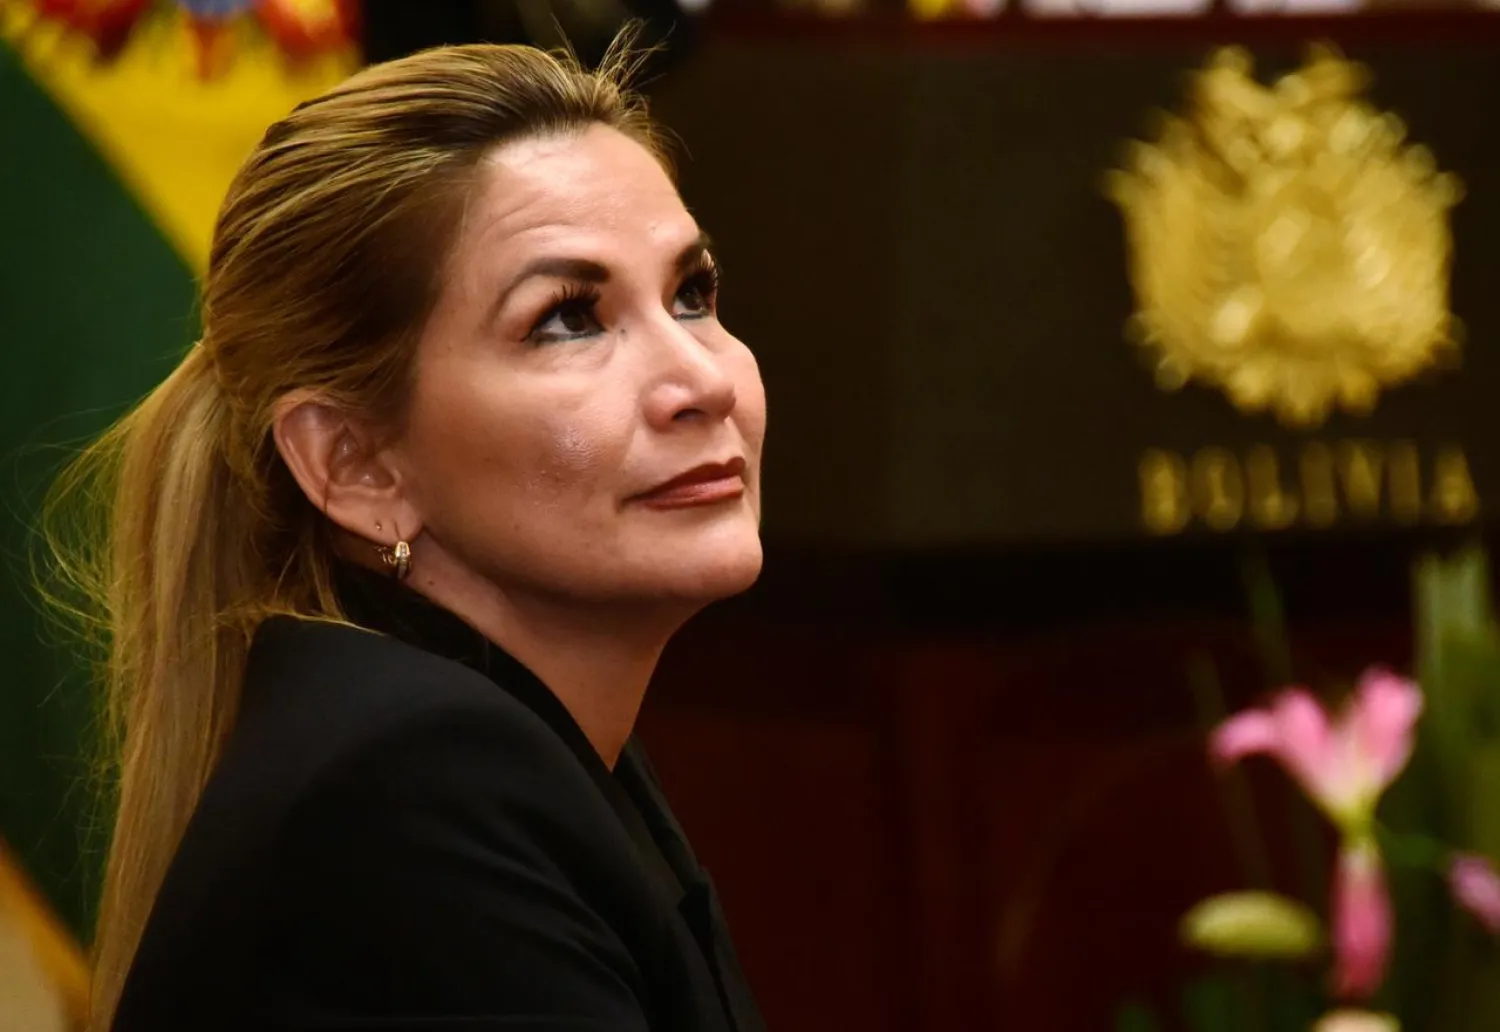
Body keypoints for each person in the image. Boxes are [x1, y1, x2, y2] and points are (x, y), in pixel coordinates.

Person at [45, 34, 768, 1032]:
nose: (704, 381)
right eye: (568, 318)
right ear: (354, 464)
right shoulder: (415, 781)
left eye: (693, 294)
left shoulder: (474, 741)